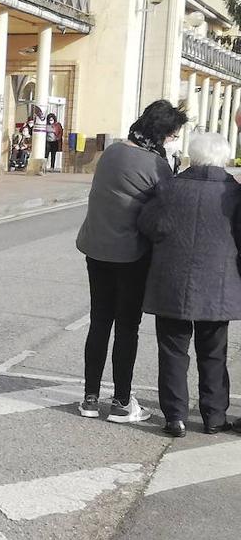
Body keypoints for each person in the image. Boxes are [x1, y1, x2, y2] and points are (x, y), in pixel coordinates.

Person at [75, 99, 188, 423]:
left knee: (99, 322)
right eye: (172, 135)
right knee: (127, 328)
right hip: (131, 257)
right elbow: (165, 214)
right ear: (162, 133)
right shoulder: (157, 166)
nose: (172, 141)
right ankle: (122, 401)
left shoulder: (110, 152)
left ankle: (90, 398)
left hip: (95, 249)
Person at [137, 132, 241, 437]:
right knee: (213, 352)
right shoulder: (233, 193)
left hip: (172, 282)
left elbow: (149, 225)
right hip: (218, 287)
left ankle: (175, 417)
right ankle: (213, 417)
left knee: (172, 351)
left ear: (192, 157)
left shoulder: (170, 187)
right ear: (224, 158)